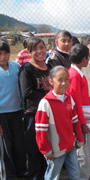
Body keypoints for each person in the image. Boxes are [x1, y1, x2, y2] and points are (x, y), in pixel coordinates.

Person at [35, 66, 84, 179]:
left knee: (75, 173)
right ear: (51, 81)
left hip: (70, 146)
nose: (64, 83)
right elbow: (40, 130)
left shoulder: (69, 99)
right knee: (53, 176)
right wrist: (46, 150)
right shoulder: (45, 103)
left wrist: (80, 138)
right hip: (55, 150)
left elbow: (75, 121)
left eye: (67, 79)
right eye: (60, 80)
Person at [19, 37, 50, 179]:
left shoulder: (49, 68)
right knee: (34, 150)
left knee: (46, 148)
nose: (39, 51)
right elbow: (27, 93)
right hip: (34, 115)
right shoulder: (27, 69)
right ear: (29, 52)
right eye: (35, 49)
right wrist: (49, 97)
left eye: (42, 47)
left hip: (48, 114)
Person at [0, 38, 27, 179]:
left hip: (17, 111)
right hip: (2, 115)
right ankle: (9, 175)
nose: (3, 57)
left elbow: (21, 89)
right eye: (0, 54)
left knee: (19, 144)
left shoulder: (16, 66)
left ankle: (21, 171)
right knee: (6, 147)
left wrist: (24, 107)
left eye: (6, 53)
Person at [68, 43, 90, 179]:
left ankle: (86, 174)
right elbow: (75, 102)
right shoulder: (74, 75)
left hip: (86, 113)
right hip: (81, 117)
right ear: (84, 59)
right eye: (88, 57)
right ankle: (82, 177)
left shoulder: (79, 72)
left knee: (88, 145)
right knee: (83, 151)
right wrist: (83, 123)